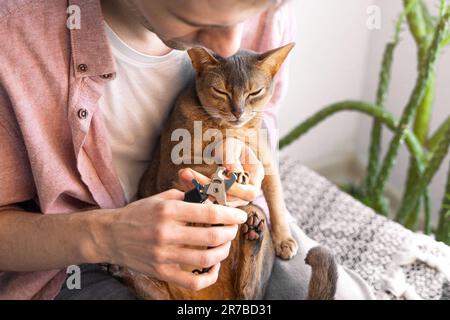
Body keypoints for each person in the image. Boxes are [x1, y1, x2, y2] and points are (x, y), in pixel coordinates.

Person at [0, 0, 375, 300]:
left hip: (232, 225)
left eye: (247, 15)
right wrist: (107, 236)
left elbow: (264, 118)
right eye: (192, 17)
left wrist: (249, 158)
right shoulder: (14, 33)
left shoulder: (268, 11)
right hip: (76, 255)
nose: (230, 47)